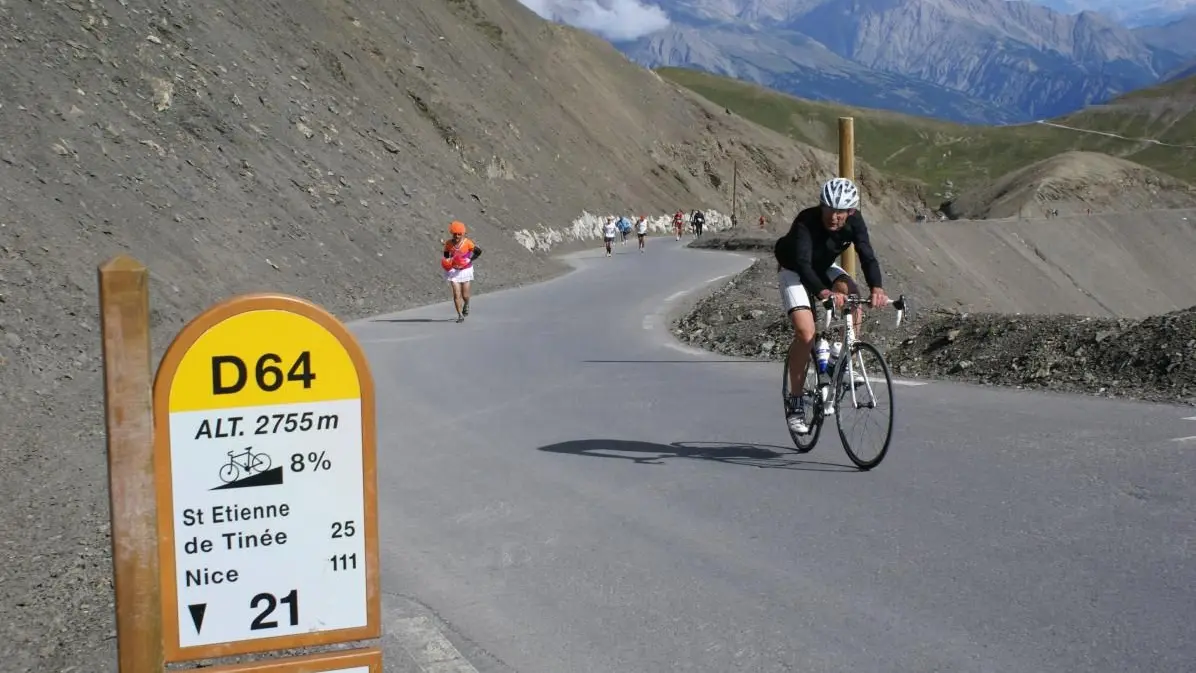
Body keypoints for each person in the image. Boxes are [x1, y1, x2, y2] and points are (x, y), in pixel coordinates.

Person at [773, 177, 888, 434]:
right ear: (821, 206)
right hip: (794, 269)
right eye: (829, 209)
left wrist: (877, 289)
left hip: (823, 267)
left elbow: (867, 255)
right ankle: (795, 402)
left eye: (841, 212)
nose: (834, 217)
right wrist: (824, 292)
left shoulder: (855, 222)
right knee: (806, 333)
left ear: (851, 211)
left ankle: (840, 356)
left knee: (854, 296)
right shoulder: (806, 221)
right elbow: (803, 264)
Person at [442, 220, 482, 323]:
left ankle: (467, 304)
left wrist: (470, 259)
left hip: (466, 270)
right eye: (455, 234)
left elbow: (478, 252)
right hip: (454, 271)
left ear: (463, 233)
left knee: (465, 295)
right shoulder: (448, 244)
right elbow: (446, 255)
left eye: (459, 234)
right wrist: (447, 263)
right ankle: (460, 315)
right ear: (452, 233)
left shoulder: (468, 243)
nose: (457, 236)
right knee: (456, 294)